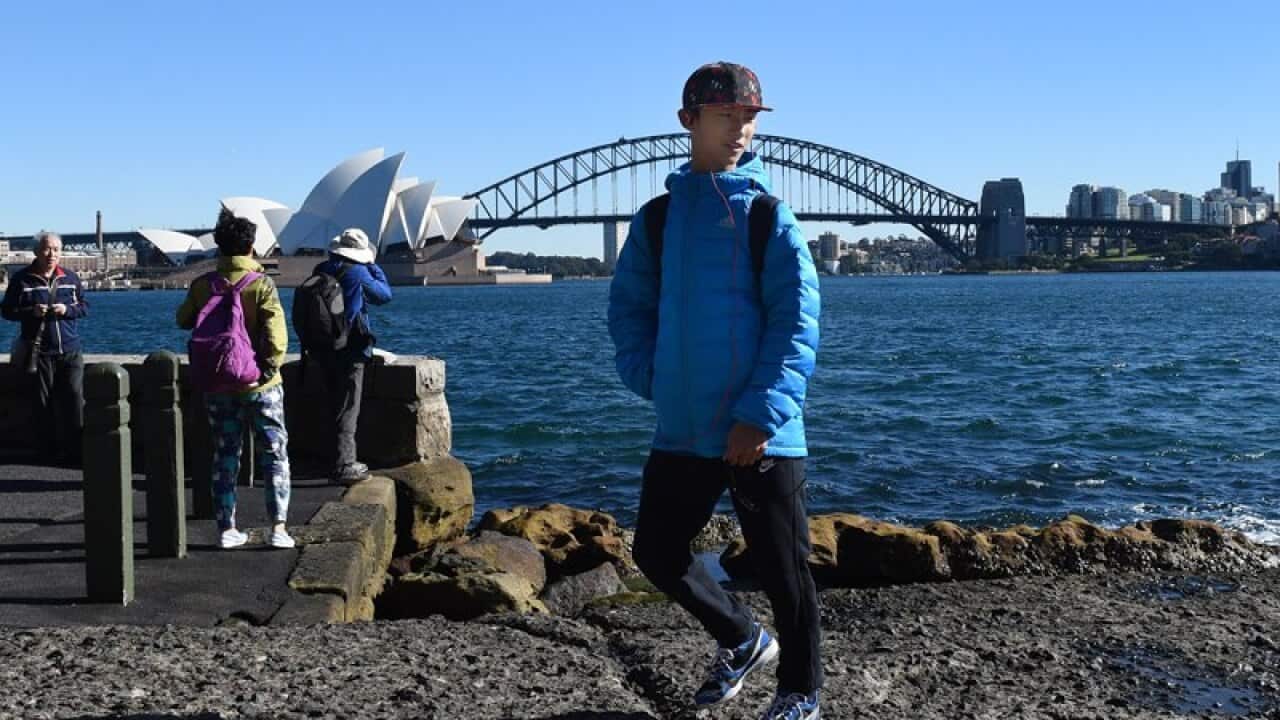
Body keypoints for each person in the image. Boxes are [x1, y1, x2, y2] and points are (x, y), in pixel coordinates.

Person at [607, 62, 822, 720]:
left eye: (750, 118)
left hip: (760, 431)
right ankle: (740, 636)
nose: (742, 129)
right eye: (727, 116)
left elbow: (797, 321)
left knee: (785, 569)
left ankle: (800, 693)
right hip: (683, 425)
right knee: (657, 551)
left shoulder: (768, 217)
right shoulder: (656, 221)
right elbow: (630, 311)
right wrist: (654, 379)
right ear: (689, 121)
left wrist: (760, 414)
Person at [177, 209, 294, 550]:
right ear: (251, 246)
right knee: (274, 453)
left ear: (219, 247)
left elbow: (183, 320)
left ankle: (227, 528)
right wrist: (268, 370)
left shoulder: (203, 285)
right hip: (260, 386)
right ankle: (278, 527)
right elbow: (276, 337)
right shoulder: (262, 284)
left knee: (225, 454)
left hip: (217, 385)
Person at [306, 228, 392, 484]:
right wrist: (373, 265)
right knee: (348, 407)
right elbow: (384, 296)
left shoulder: (321, 268)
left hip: (322, 347)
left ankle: (325, 459)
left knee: (329, 403)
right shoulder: (358, 272)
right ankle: (344, 464)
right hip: (351, 348)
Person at [1, 231, 88, 465]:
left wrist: (66, 310)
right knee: (42, 404)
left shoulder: (70, 278)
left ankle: (75, 453)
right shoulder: (22, 280)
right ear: (36, 251)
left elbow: (83, 307)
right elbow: (7, 311)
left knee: (74, 399)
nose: (52, 254)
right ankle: (46, 454)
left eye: (57, 250)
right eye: (47, 249)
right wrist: (32, 312)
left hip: (70, 350)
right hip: (39, 353)